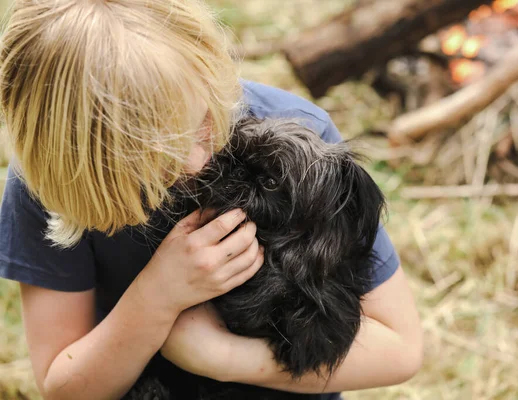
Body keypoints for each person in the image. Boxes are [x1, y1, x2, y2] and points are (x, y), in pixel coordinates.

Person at [0, 1, 423, 400]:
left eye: (201, 121)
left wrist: (221, 358)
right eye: (157, 153)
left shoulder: (299, 149)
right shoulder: (51, 186)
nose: (197, 159)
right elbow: (64, 388)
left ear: (206, 67)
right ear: (78, 159)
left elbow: (399, 348)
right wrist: (157, 297)